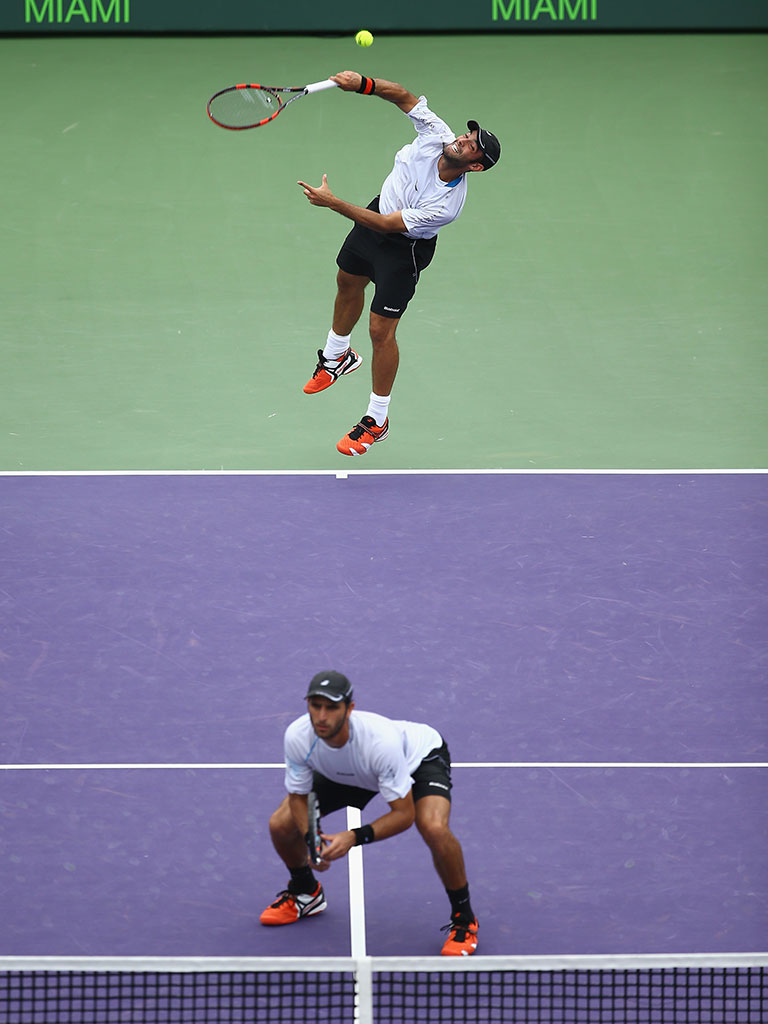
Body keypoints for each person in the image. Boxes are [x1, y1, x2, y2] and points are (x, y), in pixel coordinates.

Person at [298, 71, 501, 457]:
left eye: (471, 145)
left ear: (475, 166)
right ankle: (337, 356)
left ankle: (377, 419)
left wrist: (333, 202)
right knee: (346, 281)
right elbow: (404, 96)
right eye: (467, 134)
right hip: (374, 215)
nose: (462, 138)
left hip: (402, 247)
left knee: (380, 331)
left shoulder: (446, 205)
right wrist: (362, 83)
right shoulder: (435, 134)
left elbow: (388, 227)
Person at [260, 670, 479, 956]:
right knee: (280, 824)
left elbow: (403, 814)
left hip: (417, 758)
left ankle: (464, 918)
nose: (322, 716)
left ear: (349, 709)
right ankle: (306, 892)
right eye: (315, 706)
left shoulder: (380, 742)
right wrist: (311, 840)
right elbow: (298, 796)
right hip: (349, 772)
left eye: (332, 707)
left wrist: (353, 837)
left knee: (433, 827)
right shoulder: (298, 736)